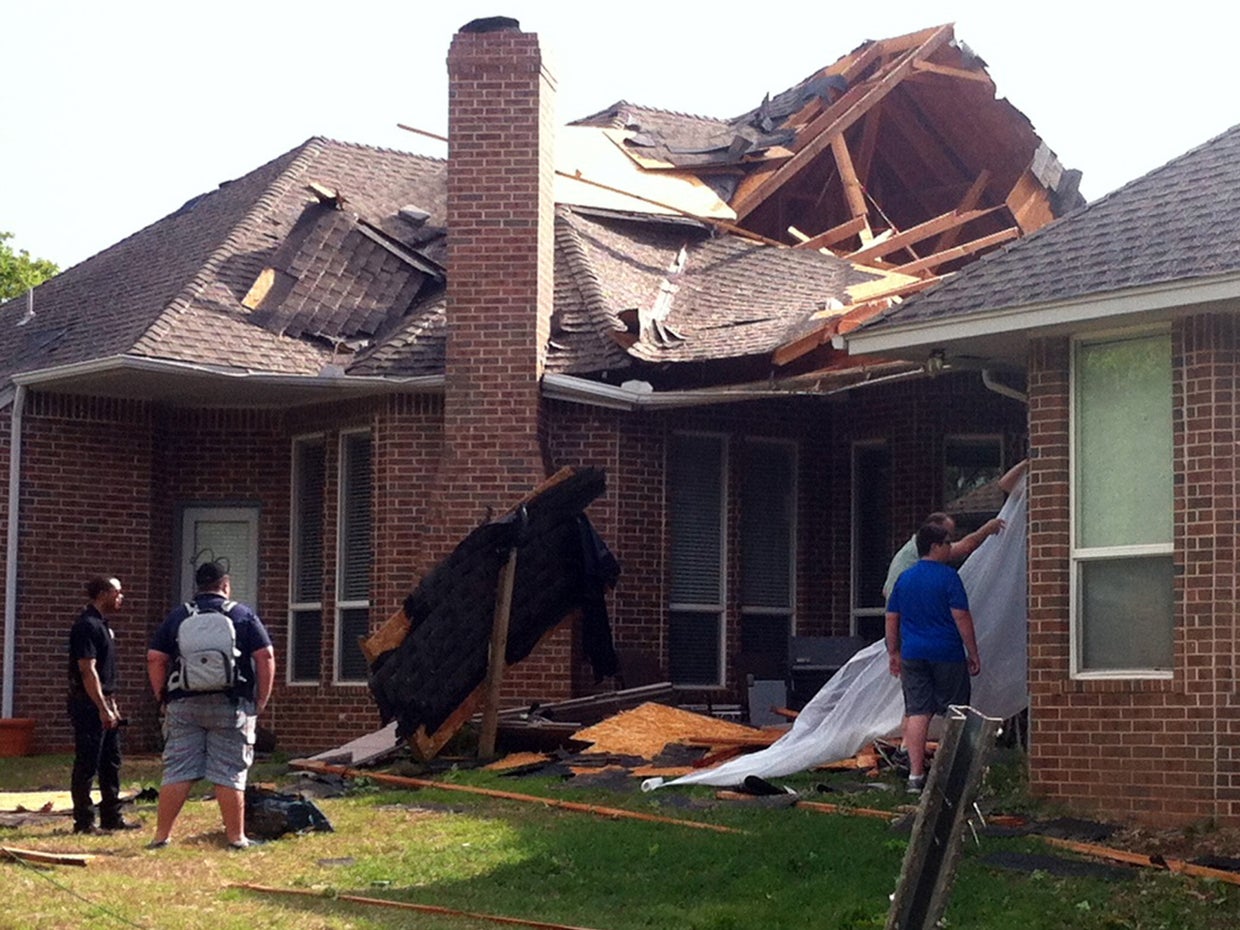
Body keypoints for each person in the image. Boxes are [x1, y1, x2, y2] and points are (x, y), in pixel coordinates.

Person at [146, 561, 275, 849]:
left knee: (178, 769)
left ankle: (161, 836)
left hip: (184, 702)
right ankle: (236, 838)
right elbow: (265, 656)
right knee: (229, 770)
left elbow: (155, 657)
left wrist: (162, 696)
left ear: (198, 586)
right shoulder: (241, 614)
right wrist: (260, 699)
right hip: (232, 703)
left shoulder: (179, 615)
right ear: (225, 585)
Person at [885, 522, 980, 793]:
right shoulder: (948, 577)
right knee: (956, 711)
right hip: (946, 653)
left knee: (917, 712)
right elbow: (961, 616)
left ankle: (915, 776)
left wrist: (893, 652)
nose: (950, 548)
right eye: (948, 543)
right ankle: (950, 774)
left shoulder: (905, 578)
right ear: (935, 546)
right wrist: (973, 652)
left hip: (913, 654)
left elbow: (892, 618)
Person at [880, 460, 1027, 601]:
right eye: (947, 538)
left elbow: (886, 591)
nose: (948, 543)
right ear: (934, 534)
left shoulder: (908, 552)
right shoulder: (925, 553)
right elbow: (966, 547)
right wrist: (987, 530)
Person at [67, 576, 139, 834]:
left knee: (111, 761)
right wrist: (100, 707)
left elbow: (105, 674)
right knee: (88, 762)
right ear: (102, 593)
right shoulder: (86, 626)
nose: (121, 597)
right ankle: (84, 821)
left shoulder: (103, 626)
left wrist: (111, 704)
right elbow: (88, 670)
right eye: (117, 592)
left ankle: (111, 817)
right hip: (88, 704)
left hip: (104, 701)